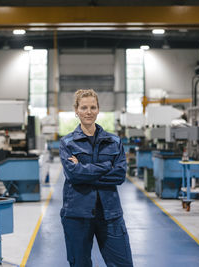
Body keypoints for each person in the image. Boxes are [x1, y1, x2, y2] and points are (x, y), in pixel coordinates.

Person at [59, 89, 133, 267]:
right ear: (76, 110)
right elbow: (74, 175)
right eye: (84, 107)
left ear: (98, 109)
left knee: (123, 263)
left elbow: (119, 175)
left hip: (110, 213)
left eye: (93, 107)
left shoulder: (114, 142)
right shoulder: (67, 143)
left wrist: (84, 170)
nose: (88, 111)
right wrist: (107, 166)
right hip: (77, 213)